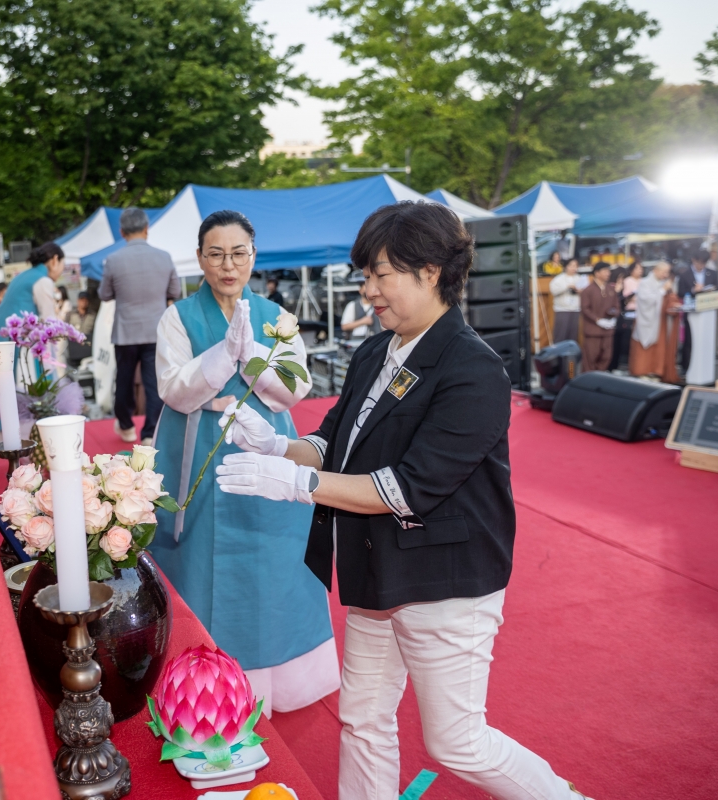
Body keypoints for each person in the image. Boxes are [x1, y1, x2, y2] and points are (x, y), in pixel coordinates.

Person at [215, 201, 593, 800]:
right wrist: (279, 446)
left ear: (431, 272)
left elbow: (406, 488)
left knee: (458, 741)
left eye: (380, 274)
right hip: (376, 568)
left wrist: (295, 483)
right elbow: (334, 442)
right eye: (366, 274)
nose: (368, 290)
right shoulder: (376, 351)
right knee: (362, 720)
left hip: (444, 579)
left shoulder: (472, 368)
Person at [150, 209, 338, 717]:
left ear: (253, 256)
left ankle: (279, 675)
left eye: (238, 253)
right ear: (199, 258)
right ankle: (197, 679)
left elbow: (295, 388)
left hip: (263, 438)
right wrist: (221, 355)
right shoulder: (177, 317)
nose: (228, 265)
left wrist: (251, 351)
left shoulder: (277, 317)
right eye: (216, 254)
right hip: (195, 442)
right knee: (194, 551)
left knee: (271, 552)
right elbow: (173, 388)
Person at [0, 242, 66, 444]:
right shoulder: (43, 280)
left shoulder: (23, 276)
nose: (62, 270)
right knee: (21, 389)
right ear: (55, 260)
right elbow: (49, 322)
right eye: (63, 264)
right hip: (17, 342)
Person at [99, 207, 181, 445]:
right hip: (156, 331)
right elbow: (175, 291)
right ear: (147, 229)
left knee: (124, 380)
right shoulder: (164, 257)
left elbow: (104, 294)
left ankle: (126, 426)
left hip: (125, 332)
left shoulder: (113, 260)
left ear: (122, 232)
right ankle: (149, 433)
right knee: (153, 382)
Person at [629, 261, 682, 382]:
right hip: (648, 320)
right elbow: (646, 300)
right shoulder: (645, 283)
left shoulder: (665, 283)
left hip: (661, 321)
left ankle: (656, 371)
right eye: (664, 272)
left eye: (667, 272)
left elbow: (669, 298)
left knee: (660, 347)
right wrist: (662, 290)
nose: (665, 275)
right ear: (656, 270)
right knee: (644, 347)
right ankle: (642, 371)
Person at [676, 250, 718, 374]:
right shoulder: (685, 274)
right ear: (693, 260)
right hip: (691, 310)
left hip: (708, 311)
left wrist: (710, 291)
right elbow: (680, 292)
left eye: (703, 263)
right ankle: (686, 367)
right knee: (689, 340)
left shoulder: (712, 273)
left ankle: (706, 366)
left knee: (706, 339)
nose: (701, 266)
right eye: (699, 263)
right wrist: (693, 290)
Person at [580, 263, 619, 372]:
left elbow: (616, 306)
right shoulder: (588, 290)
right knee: (590, 357)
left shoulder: (611, 289)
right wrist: (597, 320)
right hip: (593, 331)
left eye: (609, 271)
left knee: (606, 356)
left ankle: (600, 377)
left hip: (608, 331)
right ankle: (589, 379)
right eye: (605, 271)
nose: (608, 273)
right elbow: (585, 309)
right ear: (597, 273)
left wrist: (613, 317)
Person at [610, 260, 643, 370]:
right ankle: (614, 365)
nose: (622, 281)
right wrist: (619, 293)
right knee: (618, 341)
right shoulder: (613, 287)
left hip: (629, 315)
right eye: (620, 278)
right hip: (618, 317)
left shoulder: (641, 282)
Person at [548, 257, 581, 344]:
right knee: (560, 334)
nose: (574, 268)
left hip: (575, 309)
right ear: (566, 266)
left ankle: (571, 352)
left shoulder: (579, 278)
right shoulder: (558, 279)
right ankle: (558, 352)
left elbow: (585, 292)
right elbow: (553, 291)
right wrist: (567, 286)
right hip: (562, 310)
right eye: (571, 265)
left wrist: (580, 291)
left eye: (576, 266)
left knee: (573, 335)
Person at [66, 292, 96, 369]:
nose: (84, 302)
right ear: (78, 301)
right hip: (74, 348)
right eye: (82, 299)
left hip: (88, 348)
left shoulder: (92, 315)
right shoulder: (71, 314)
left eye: (86, 300)